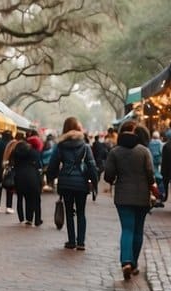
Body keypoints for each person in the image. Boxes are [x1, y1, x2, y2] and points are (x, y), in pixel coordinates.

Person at [102, 120, 155, 281]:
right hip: (142, 196)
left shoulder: (115, 152)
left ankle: (126, 260)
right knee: (138, 230)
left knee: (127, 229)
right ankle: (134, 264)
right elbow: (150, 174)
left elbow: (108, 176)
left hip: (123, 196)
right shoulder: (144, 151)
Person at [46, 117, 98, 250]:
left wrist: (50, 179)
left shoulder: (60, 146)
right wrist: (95, 183)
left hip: (65, 183)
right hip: (81, 183)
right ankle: (81, 242)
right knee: (81, 213)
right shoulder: (85, 146)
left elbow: (53, 165)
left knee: (69, 212)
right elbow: (92, 166)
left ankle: (71, 241)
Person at [0, 132, 23, 215]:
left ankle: (8, 206)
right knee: (12, 187)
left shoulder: (10, 144)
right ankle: (9, 207)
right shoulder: (17, 145)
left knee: (9, 188)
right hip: (14, 168)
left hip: (8, 167)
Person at [159, 129, 171, 208]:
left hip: (167, 168)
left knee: (166, 183)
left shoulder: (166, 146)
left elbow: (164, 159)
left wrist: (163, 170)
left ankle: (166, 196)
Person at [148, 130, 165, 208]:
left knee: (153, 181)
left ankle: (153, 197)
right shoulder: (160, 143)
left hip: (151, 164)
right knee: (160, 181)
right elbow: (162, 152)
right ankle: (159, 197)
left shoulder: (150, 143)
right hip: (158, 163)